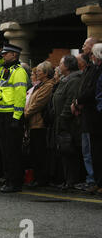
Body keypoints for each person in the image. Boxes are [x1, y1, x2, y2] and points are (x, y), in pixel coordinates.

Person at [0, 43, 28, 193]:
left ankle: (14, 182)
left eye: (6, 53)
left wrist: (16, 117)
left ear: (14, 55)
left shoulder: (18, 72)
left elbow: (20, 96)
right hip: (2, 115)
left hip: (12, 116)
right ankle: (8, 180)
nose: (3, 56)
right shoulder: (7, 71)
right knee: (5, 150)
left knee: (13, 151)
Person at [72, 40, 102, 193]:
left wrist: (79, 101)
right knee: (91, 151)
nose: (82, 47)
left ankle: (95, 180)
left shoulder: (96, 70)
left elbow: (92, 92)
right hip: (88, 115)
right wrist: (76, 101)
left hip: (95, 116)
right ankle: (94, 180)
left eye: (85, 45)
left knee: (94, 151)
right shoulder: (91, 69)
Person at [51, 56, 84, 190]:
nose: (58, 66)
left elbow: (70, 99)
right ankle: (67, 179)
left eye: (60, 63)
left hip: (68, 122)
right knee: (64, 151)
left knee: (70, 151)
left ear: (67, 66)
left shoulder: (74, 80)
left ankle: (72, 180)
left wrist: (64, 117)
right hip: (60, 120)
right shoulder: (65, 80)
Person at [24, 61, 55, 187]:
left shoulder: (47, 86)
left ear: (46, 73)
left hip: (39, 123)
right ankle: (37, 177)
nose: (37, 73)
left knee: (40, 153)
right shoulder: (40, 85)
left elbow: (38, 104)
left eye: (39, 71)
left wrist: (25, 114)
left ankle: (42, 179)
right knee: (35, 153)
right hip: (33, 123)